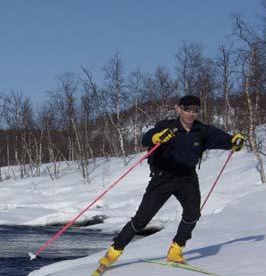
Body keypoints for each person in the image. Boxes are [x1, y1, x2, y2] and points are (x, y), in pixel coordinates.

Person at [98, 95, 244, 267]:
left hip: (187, 178)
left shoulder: (202, 131)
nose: (191, 113)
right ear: (178, 109)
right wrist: (157, 137)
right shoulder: (166, 127)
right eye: (187, 109)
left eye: (195, 110)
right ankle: (114, 251)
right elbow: (146, 139)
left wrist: (235, 141)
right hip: (163, 177)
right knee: (141, 220)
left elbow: (226, 141)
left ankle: (176, 250)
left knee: (192, 214)